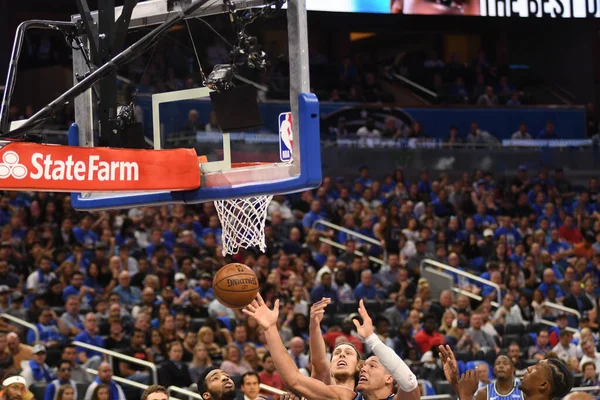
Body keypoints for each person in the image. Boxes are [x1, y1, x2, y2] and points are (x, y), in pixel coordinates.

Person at [243, 294, 360, 400]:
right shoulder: (323, 389)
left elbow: (293, 379)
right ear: (331, 365)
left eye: (348, 353)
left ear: (358, 366)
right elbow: (319, 363)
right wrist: (314, 325)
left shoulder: (347, 395)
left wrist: (270, 329)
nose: (342, 354)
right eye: (337, 353)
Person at [439, 344, 574, 400]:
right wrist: (456, 383)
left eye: (536, 368)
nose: (528, 368)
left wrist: (466, 396)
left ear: (543, 385)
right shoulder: (485, 392)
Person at [351, 299, 420, 400]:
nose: (363, 370)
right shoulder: (347, 396)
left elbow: (410, 384)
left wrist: (371, 339)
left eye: (372, 366)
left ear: (389, 378)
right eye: (364, 366)